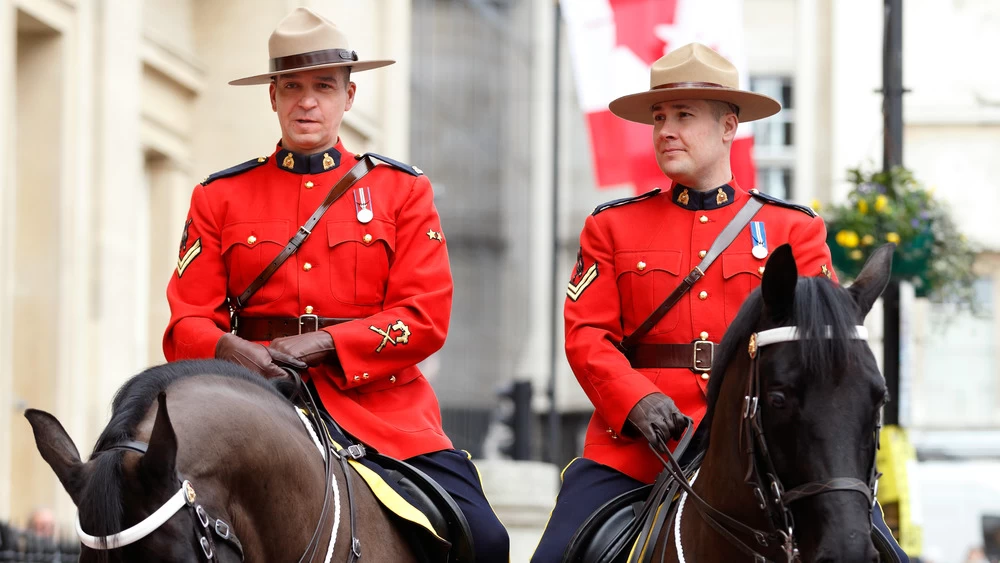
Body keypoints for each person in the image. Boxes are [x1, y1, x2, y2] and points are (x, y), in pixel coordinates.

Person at [531, 43, 905, 561]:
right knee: (556, 554)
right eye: (659, 117)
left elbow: (824, 354)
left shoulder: (794, 228)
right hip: (639, 449)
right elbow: (586, 335)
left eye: (683, 116)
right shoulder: (611, 225)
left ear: (729, 126)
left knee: (886, 554)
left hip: (765, 447)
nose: (665, 130)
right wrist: (633, 398)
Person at [162, 8, 509, 562]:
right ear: (272, 96)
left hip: (381, 410)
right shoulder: (219, 196)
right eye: (292, 87)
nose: (307, 102)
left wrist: (326, 344)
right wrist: (235, 351)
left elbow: (424, 318)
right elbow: (185, 323)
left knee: (486, 538)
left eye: (323, 87)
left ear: (348, 97)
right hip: (254, 403)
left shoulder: (403, 192)